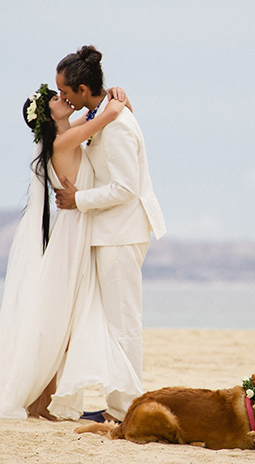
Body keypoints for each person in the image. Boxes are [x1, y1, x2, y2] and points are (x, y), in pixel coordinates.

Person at [0, 83, 133, 421]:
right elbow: (106, 117)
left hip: (76, 229)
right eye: (56, 99)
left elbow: (92, 118)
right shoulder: (63, 140)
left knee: (59, 319)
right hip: (74, 234)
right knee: (60, 320)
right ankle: (44, 402)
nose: (63, 99)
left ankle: (44, 402)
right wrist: (115, 106)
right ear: (46, 115)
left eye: (62, 94)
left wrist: (106, 102)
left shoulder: (68, 133)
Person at [53, 45, 166, 422]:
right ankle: (117, 404)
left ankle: (126, 409)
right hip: (113, 233)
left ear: (83, 89)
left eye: (66, 91)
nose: (63, 98)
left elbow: (125, 189)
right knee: (113, 321)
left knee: (123, 322)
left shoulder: (115, 126)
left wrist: (77, 199)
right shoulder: (102, 114)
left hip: (121, 233)